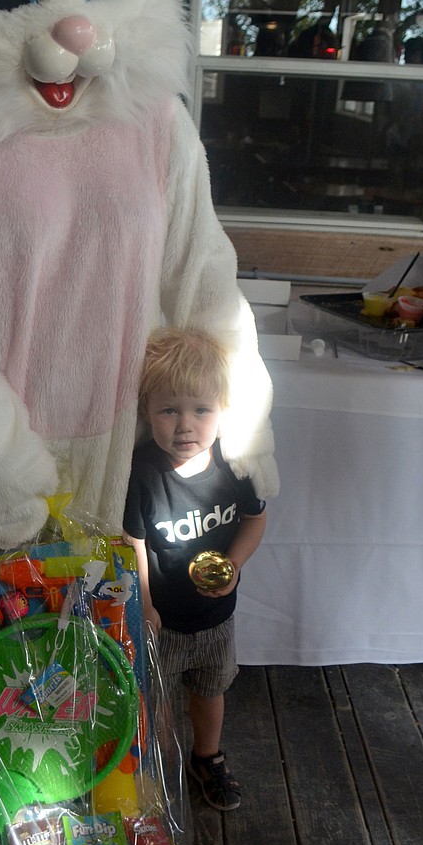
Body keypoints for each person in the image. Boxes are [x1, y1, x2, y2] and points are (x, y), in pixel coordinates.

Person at [123, 328, 267, 811]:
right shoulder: (141, 470)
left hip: (215, 618)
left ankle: (207, 757)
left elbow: (255, 518)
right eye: (169, 410)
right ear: (147, 413)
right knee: (156, 700)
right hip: (161, 620)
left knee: (210, 690)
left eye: (201, 409)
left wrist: (234, 564)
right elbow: (133, 542)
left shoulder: (235, 463)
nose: (185, 425)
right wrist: (141, 603)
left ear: (222, 410)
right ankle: (158, 763)